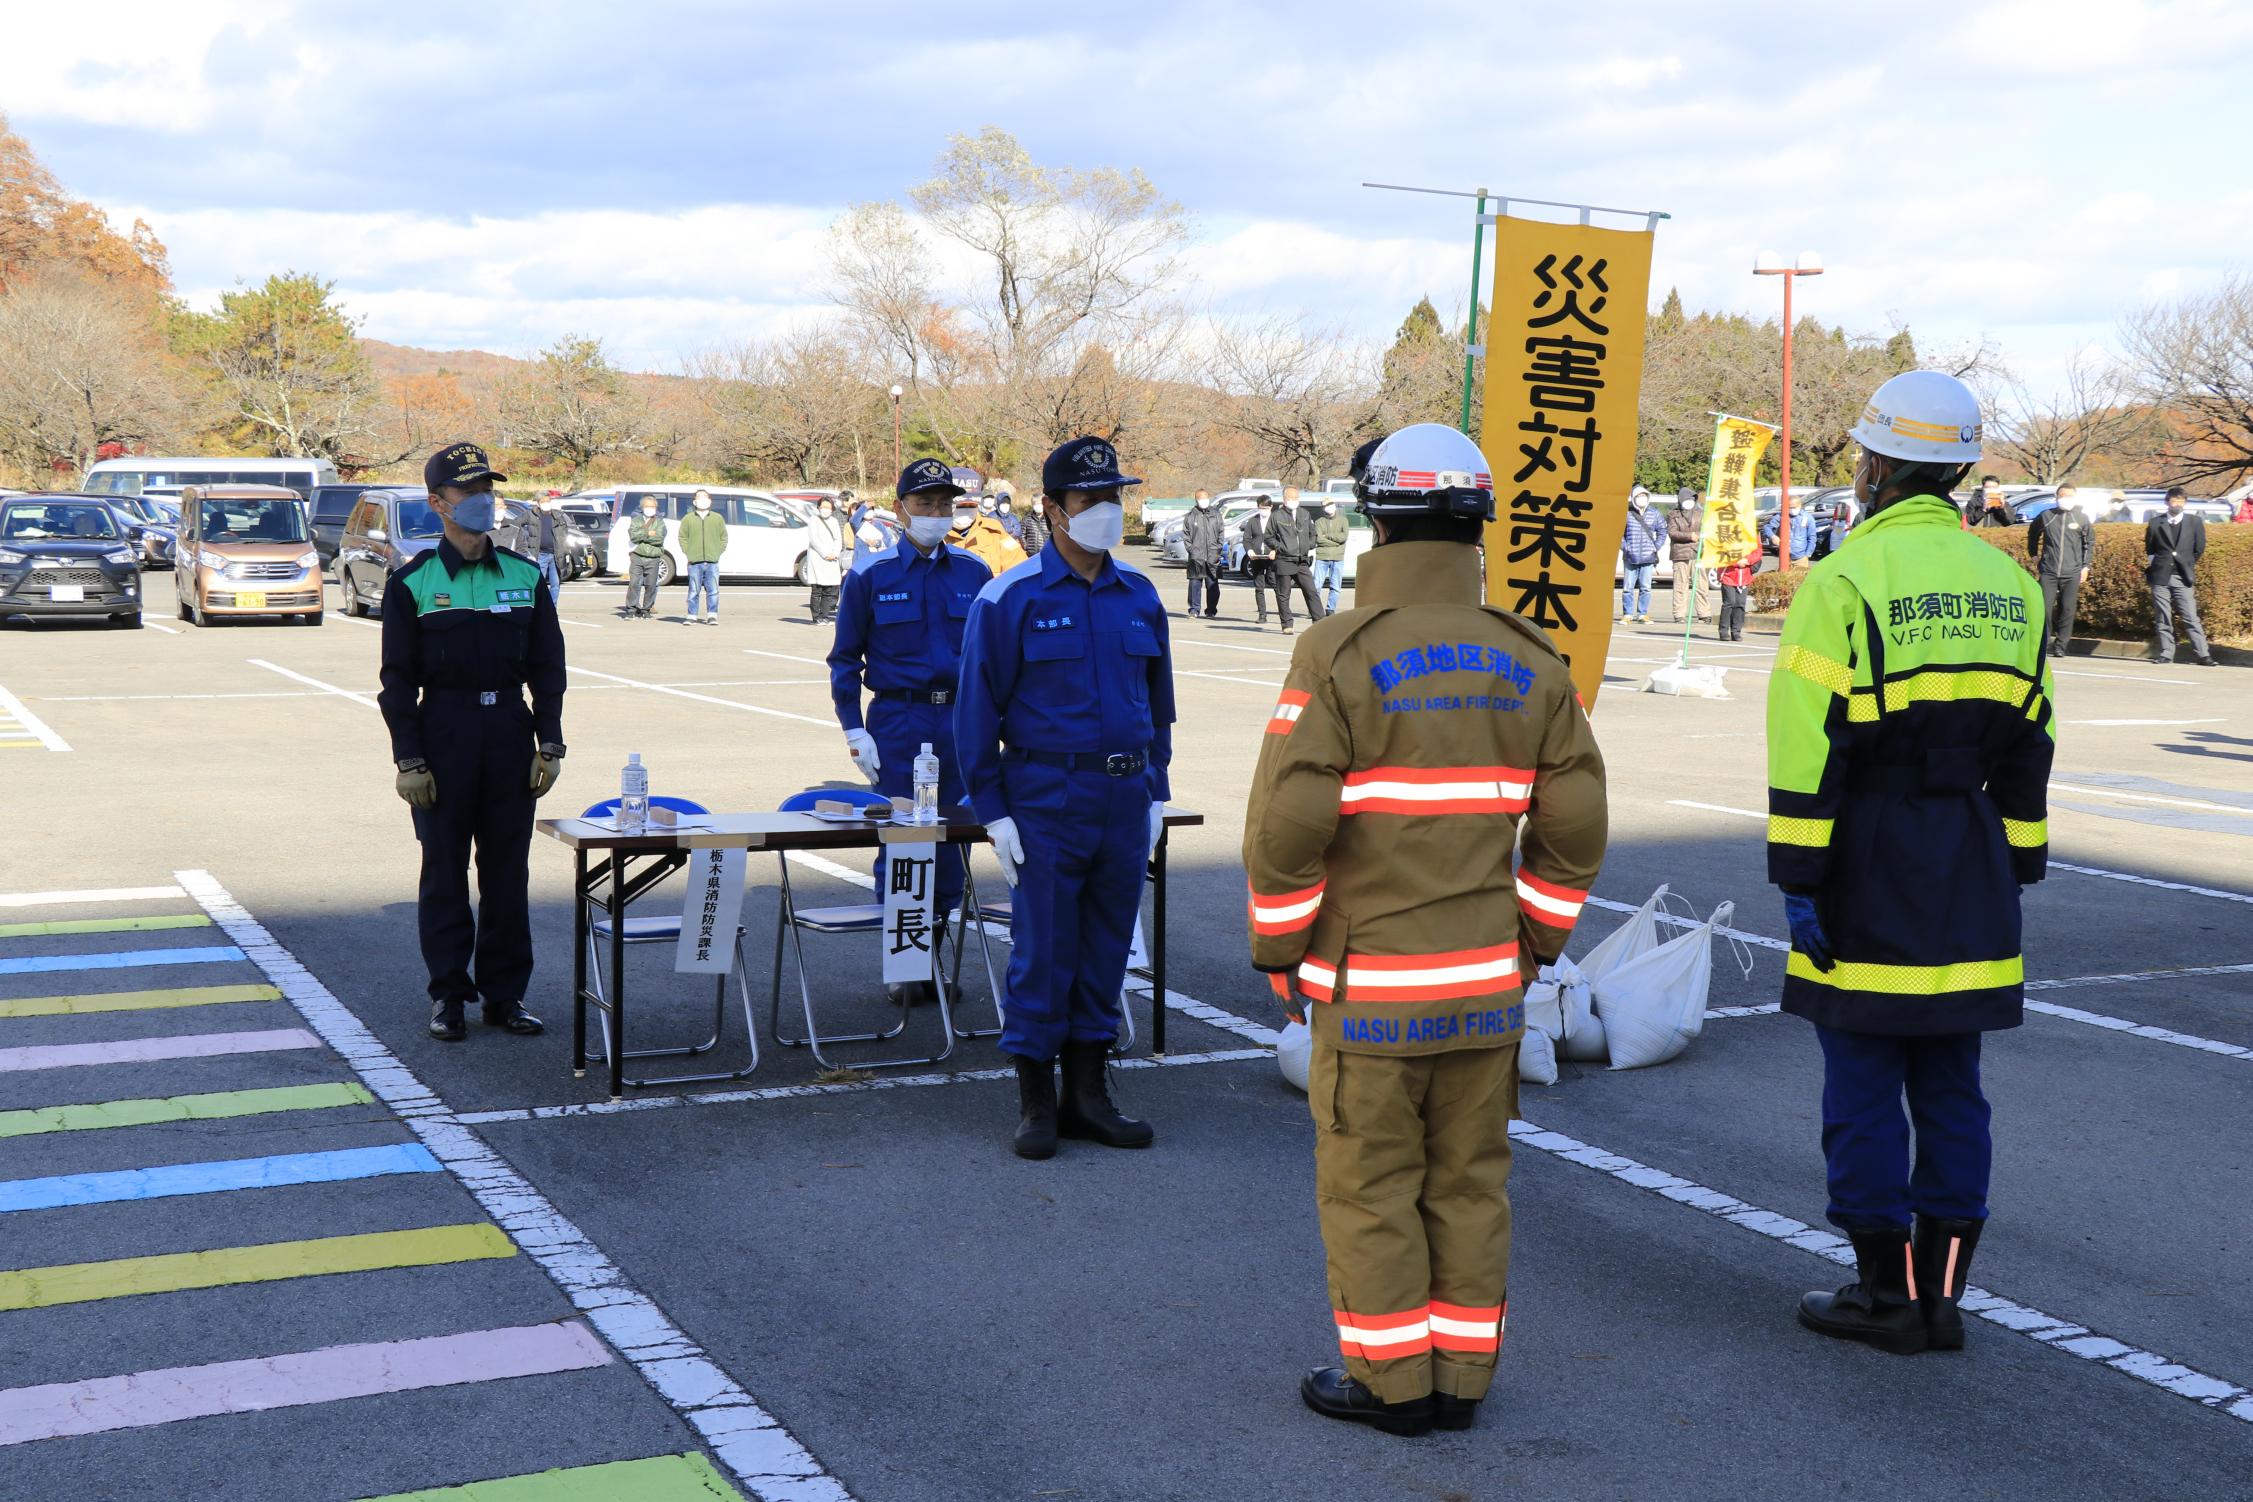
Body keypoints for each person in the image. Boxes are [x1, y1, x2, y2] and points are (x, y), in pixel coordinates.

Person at [1244, 421, 1606, 1436]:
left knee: (1370, 1184)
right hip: (1488, 985)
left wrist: (1281, 947)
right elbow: (1574, 822)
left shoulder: (1337, 651)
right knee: (1471, 1182)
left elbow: (1289, 824)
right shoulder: (1530, 655)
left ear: (1376, 515)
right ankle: (1460, 1378)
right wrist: (1535, 936)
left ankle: (1392, 1383)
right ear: (1478, 520)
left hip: (1371, 987)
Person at [1767, 371, 2055, 1355]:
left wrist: (1800, 881)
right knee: (1951, 1081)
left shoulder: (1843, 581)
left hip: (1867, 851)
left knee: (1860, 1080)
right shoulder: (2013, 584)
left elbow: (1808, 750)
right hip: (1971, 851)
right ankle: (1942, 1298)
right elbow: (2031, 741)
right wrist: (2017, 861)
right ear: (1959, 468)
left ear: (1879, 465)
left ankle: (1882, 1292)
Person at [955, 436, 1174, 1160]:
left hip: (1121, 794)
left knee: (1107, 949)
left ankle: (1089, 1093)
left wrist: (1155, 795)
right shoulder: (1008, 595)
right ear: (1051, 509)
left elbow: (1158, 705)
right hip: (1046, 795)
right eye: (1090, 500)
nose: (1106, 512)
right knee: (1044, 951)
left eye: (1114, 498)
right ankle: (1035, 1100)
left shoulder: (1138, 594)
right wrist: (994, 811)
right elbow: (974, 716)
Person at [378, 442, 566, 1043]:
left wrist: (550, 742)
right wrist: (409, 758)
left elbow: (548, 667)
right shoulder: (412, 583)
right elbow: (397, 682)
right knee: (444, 873)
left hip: (509, 734)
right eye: (470, 491)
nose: (485, 501)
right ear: (439, 503)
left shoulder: (525, 575)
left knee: (508, 874)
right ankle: (449, 996)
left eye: (489, 489)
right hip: (445, 736)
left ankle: (505, 995)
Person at [828, 460, 987, 1006]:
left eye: (945, 505)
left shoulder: (974, 573)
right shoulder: (870, 576)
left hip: (960, 723)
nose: (937, 515)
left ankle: (930, 962)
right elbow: (845, 660)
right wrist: (854, 729)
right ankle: (905, 964)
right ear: (900, 510)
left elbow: (992, 662)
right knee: (903, 843)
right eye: (925, 505)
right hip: (897, 722)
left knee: (953, 843)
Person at [2145, 486, 2216, 667]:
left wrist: (2187, 563)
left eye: (2181, 501)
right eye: (2174, 501)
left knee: (2190, 616)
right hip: (2160, 576)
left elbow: (2199, 548)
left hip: (2182, 576)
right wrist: (2157, 564)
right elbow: (2150, 548)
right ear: (2167, 502)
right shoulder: (2155, 523)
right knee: (2163, 616)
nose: (2177, 504)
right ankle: (2166, 652)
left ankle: (2203, 654)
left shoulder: (2194, 522)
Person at [2025, 485, 2092, 659]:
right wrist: (2034, 554)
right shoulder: (2047, 516)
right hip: (2049, 570)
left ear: (2075, 498)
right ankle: (2044, 641)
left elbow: (2088, 544)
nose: (2065, 498)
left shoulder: (2081, 518)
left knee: (2067, 609)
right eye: (2062, 495)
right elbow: (2033, 534)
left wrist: (2085, 566)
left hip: (2072, 571)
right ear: (2056, 497)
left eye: (2069, 496)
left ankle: (2061, 645)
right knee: (2045, 607)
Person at [1269, 486, 1327, 631]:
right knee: (1283, 595)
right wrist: (1281, 547)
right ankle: (1287, 624)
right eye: (1290, 498)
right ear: (1284, 499)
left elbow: (1312, 533)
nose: (1293, 501)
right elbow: (1268, 537)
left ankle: (1319, 621)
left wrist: (1310, 544)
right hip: (1284, 560)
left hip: (1302, 560)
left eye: (1296, 498)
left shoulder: (1305, 514)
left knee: (1311, 591)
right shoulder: (1276, 516)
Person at [678, 489, 726, 625]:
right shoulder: (688, 518)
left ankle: (712, 615)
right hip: (694, 561)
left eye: (705, 497)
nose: (702, 500)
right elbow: (682, 537)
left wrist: (717, 552)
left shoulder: (717, 518)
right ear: (694, 501)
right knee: (693, 589)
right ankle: (692, 615)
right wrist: (688, 552)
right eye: (699, 497)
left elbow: (724, 537)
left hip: (712, 561)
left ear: (710, 501)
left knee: (713, 590)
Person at [950, 497, 1029, 576]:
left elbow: (1021, 568)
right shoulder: (939, 536)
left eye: (971, 505)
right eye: (960, 506)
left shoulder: (995, 531)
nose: (966, 510)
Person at [1668, 489, 1714, 622]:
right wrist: (1689, 536)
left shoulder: (1701, 513)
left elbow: (1707, 529)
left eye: (1691, 500)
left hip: (1697, 552)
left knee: (1701, 584)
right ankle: (1679, 614)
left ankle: (1704, 613)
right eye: (1686, 499)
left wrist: (1698, 536)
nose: (1689, 502)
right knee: (1680, 584)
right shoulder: (1673, 514)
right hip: (1680, 553)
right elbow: (1672, 532)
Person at [1619, 487, 1663, 622]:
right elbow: (1618, 532)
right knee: (1627, 588)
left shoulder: (1654, 513)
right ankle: (1627, 614)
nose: (1641, 498)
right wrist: (1625, 547)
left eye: (1644, 495)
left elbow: (1662, 530)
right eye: (1638, 496)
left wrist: (1656, 546)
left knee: (1646, 587)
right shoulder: (1626, 513)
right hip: (1630, 557)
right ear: (1633, 498)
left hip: (1648, 557)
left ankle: (1642, 614)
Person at [1183, 488, 1225, 619]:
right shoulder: (1190, 516)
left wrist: (1217, 548)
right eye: (1201, 498)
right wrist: (1192, 550)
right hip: (1196, 557)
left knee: (1212, 584)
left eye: (1205, 498)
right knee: (1195, 584)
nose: (1204, 501)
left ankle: (1211, 610)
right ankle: (1194, 609)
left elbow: (1221, 533)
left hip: (1213, 555)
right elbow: (1186, 536)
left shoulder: (1216, 514)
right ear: (1196, 500)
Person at [1242, 493, 1282, 626]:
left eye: (1266, 507)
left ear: (1271, 507)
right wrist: (1250, 551)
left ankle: (1283, 613)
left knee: (1276, 584)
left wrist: (1275, 551)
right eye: (1261, 507)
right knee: (1259, 587)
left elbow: (1282, 539)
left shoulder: (1276, 520)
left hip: (1272, 558)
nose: (1263, 510)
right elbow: (1246, 539)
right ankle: (1262, 614)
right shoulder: (1253, 521)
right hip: (1257, 558)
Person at [623, 495, 666, 619]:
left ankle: (646, 609)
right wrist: (648, 533)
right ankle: (631, 609)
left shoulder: (659, 521)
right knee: (634, 583)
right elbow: (633, 536)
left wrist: (643, 534)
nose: (650, 509)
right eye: (647, 506)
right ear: (642, 507)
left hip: (653, 556)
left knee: (651, 585)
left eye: (653, 506)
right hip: (637, 555)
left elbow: (659, 538)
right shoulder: (636, 520)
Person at [805, 494, 845, 624]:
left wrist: (835, 552)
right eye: (823, 507)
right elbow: (814, 539)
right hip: (818, 558)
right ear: (818, 507)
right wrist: (825, 553)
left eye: (828, 507)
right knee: (817, 590)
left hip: (832, 559)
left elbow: (838, 539)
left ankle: (825, 616)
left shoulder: (833, 521)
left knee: (829, 590)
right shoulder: (813, 520)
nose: (825, 509)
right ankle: (816, 617)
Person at [1716, 536, 1760, 642]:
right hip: (1728, 575)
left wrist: (1747, 560)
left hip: (1744, 576)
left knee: (1740, 604)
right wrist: (1736, 561)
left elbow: (1758, 551)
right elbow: (1721, 550)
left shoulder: (1751, 532)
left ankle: (1736, 631)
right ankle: (1723, 631)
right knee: (1729, 602)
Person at [1312, 495, 1351, 613]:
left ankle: (1330, 609)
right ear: (1323, 508)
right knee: (1316, 585)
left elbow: (1343, 537)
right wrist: (1335, 542)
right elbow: (1319, 539)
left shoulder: (1343, 520)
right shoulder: (1319, 522)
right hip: (1322, 557)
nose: (1329, 507)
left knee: (1335, 586)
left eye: (1330, 504)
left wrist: (1328, 536)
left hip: (1338, 558)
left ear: (1334, 505)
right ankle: (1314, 609)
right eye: (1326, 506)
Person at [532, 493, 565, 601]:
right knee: (539, 583)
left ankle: (552, 608)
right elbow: (517, 524)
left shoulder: (557, 515)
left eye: (548, 501)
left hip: (556, 555)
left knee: (555, 584)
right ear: (538, 503)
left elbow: (564, 530)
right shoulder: (532, 515)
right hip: (541, 554)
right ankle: (541, 608)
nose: (546, 503)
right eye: (543, 501)